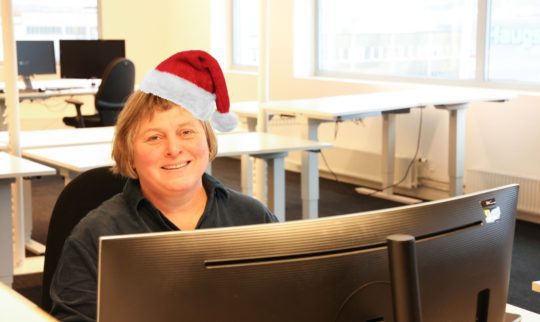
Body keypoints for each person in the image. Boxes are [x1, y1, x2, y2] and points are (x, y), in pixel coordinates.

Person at [49, 50, 278, 321]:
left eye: (186, 132)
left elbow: (292, 301)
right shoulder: (95, 234)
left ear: (207, 142)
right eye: (154, 137)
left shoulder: (252, 219)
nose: (174, 149)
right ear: (129, 152)